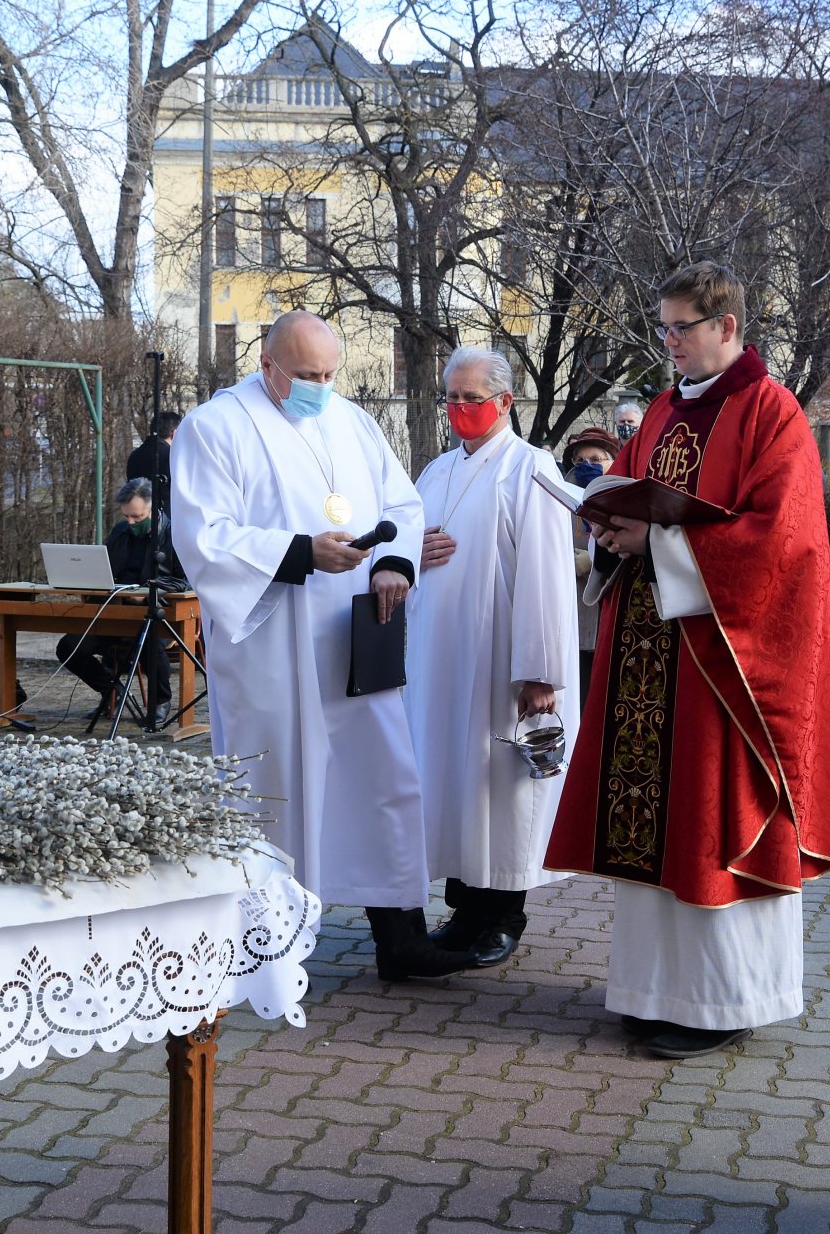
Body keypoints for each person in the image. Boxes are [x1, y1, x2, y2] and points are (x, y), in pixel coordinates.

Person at [545, 261, 830, 1060]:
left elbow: (784, 546)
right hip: (653, 653)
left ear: (727, 326)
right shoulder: (658, 410)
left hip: (723, 666)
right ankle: (654, 990)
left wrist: (662, 542)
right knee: (656, 823)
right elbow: (636, 501)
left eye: (681, 327)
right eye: (663, 328)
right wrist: (613, 533)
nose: (669, 343)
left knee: (711, 819)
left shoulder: (769, 412)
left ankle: (724, 1001)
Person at [172, 310, 476, 983]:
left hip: (356, 635)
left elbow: (401, 504)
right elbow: (203, 536)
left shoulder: (351, 421)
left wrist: (394, 564)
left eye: (329, 374)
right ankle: (267, 951)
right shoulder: (215, 428)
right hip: (273, 643)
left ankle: (400, 936)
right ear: (266, 365)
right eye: (307, 375)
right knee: (276, 786)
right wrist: (299, 554)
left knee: (383, 777)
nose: (320, 386)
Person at [406, 347, 579, 968]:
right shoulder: (433, 472)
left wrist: (539, 672)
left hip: (503, 659)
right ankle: (464, 909)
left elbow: (547, 580)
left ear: (505, 402)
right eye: (450, 397)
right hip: (440, 658)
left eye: (470, 399)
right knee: (455, 784)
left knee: (501, 788)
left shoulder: (531, 470)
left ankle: (504, 913)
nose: (458, 409)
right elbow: (405, 546)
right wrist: (409, 552)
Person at [54, 476, 188, 731]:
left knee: (149, 640)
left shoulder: (173, 534)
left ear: (152, 508)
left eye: (137, 517)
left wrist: (150, 591)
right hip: (116, 612)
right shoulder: (120, 531)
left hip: (159, 613)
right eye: (127, 516)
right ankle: (112, 691)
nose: (131, 522)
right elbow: (106, 569)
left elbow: (186, 581)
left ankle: (161, 701)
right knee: (69, 647)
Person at [563, 426, 620, 696]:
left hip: (609, 611)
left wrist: (596, 560)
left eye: (596, 460)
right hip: (569, 614)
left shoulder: (622, 498)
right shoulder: (558, 497)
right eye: (580, 461)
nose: (587, 466)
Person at [126, 410, 182, 503]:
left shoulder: (135, 455)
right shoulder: (173, 457)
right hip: (167, 513)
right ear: (174, 433)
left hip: (138, 511)